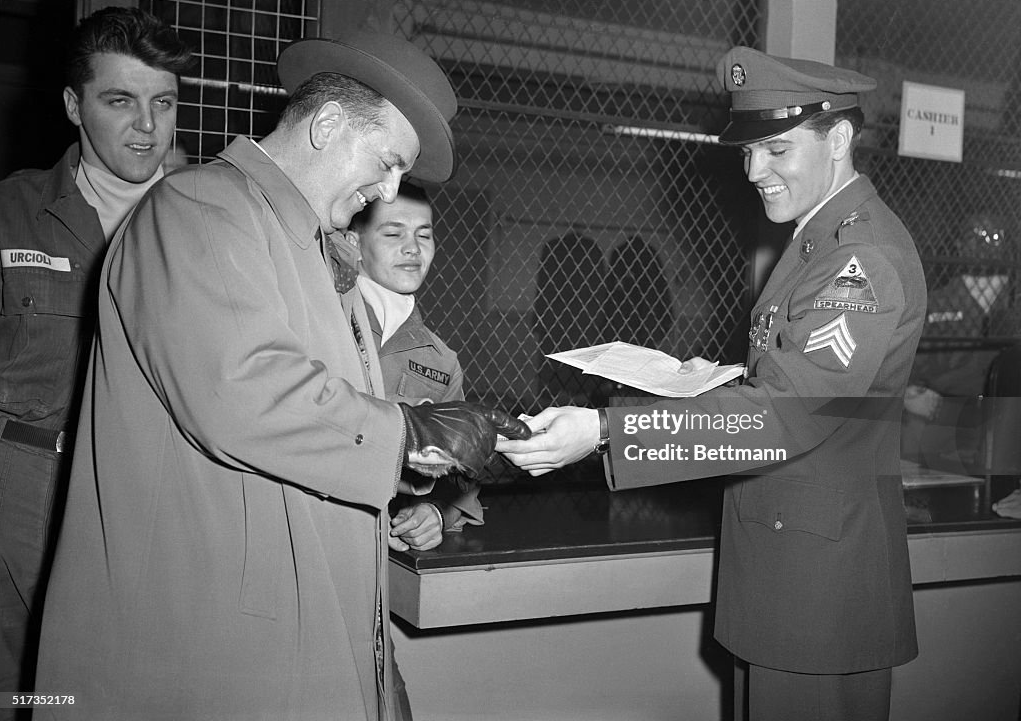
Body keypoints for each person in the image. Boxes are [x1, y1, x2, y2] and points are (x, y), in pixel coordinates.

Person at [33, 32, 526, 720]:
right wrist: (407, 433)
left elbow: (331, 424)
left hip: (296, 631)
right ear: (327, 126)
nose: (388, 192)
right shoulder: (202, 212)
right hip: (202, 656)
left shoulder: (321, 255)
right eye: (387, 164)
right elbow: (242, 390)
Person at [498, 47, 925, 721]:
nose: (756, 170)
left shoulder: (857, 258)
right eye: (749, 151)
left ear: (838, 139)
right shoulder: (820, 241)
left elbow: (784, 417)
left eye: (778, 149)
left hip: (817, 592)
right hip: (795, 571)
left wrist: (606, 433)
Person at [0, 6, 192, 710]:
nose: (147, 124)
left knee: (127, 692)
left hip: (161, 497)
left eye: (163, 102)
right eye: (120, 100)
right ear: (74, 106)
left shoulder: (209, 223)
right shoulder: (12, 213)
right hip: (26, 496)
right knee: (24, 695)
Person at [344, 181, 484, 551]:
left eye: (424, 235)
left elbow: (461, 478)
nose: (412, 248)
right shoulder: (322, 318)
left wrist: (434, 513)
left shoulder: (441, 360)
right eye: (393, 233)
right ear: (354, 243)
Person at [903, 212, 1013, 471]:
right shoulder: (938, 302)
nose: (983, 244)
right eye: (973, 238)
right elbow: (907, 362)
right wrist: (908, 392)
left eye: (994, 237)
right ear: (959, 245)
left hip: (1004, 418)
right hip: (942, 413)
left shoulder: (1013, 301)